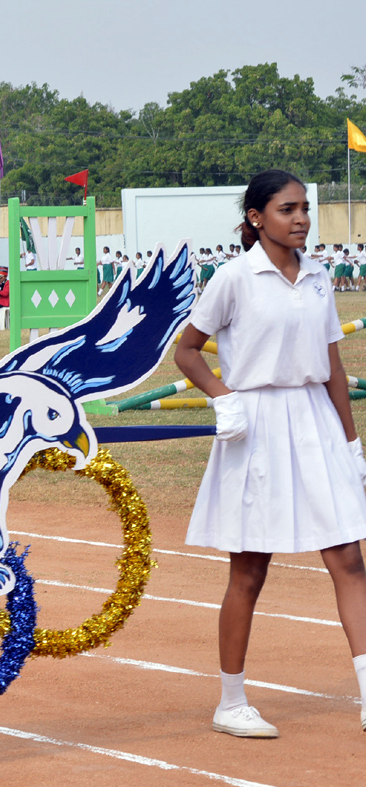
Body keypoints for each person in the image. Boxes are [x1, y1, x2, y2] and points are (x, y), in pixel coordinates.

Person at [176, 169, 366, 739]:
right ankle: (230, 701)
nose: (302, 218)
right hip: (255, 426)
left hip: (314, 421)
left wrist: (352, 443)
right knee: (250, 570)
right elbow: (186, 352)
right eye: (288, 209)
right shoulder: (234, 277)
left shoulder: (318, 278)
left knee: (350, 559)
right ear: (257, 217)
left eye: (305, 208)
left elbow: (331, 367)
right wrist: (223, 397)